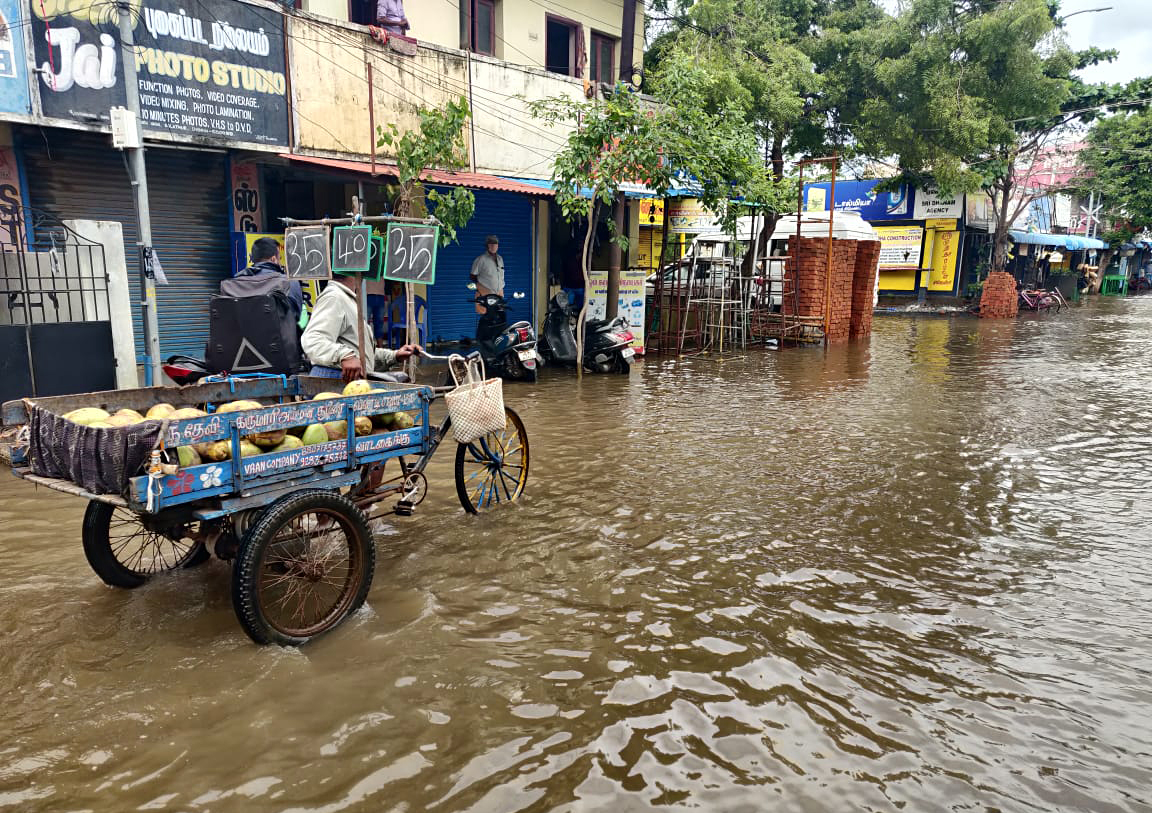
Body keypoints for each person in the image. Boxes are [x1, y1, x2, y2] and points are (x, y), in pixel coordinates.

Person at [301, 276, 420, 382]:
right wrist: (344, 355)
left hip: (349, 381)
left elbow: (361, 354)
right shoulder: (334, 297)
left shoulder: (347, 299)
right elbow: (312, 339)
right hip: (334, 380)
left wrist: (395, 355)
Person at [222, 237, 304, 324]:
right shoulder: (288, 283)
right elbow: (296, 316)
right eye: (279, 258)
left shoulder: (234, 284)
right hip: (278, 337)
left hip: (241, 337)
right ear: (273, 259)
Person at [471, 235, 504, 315]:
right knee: (486, 316)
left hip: (499, 293)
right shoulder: (481, 259)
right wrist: (481, 288)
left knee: (499, 315)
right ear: (487, 246)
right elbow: (473, 276)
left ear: (498, 246)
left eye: (495, 243)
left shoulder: (500, 259)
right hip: (486, 294)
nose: (493, 246)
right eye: (491, 243)